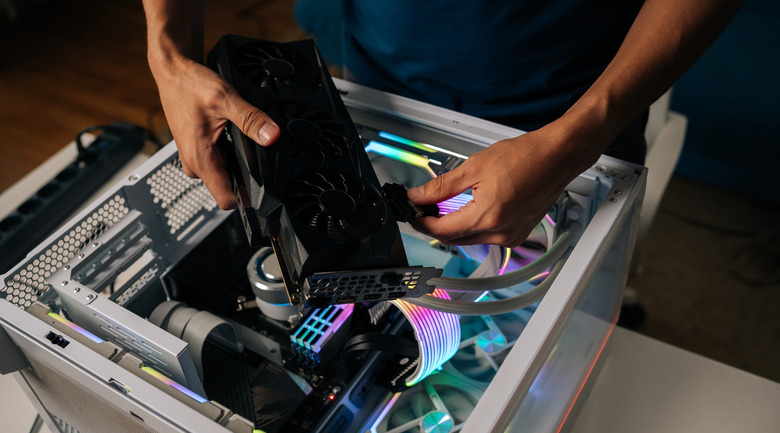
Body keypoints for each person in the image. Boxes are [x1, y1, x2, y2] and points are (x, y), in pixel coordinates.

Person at [141, 0, 743, 248]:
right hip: (382, 95)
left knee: (548, 333)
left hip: (570, 122)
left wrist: (575, 141)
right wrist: (167, 56)